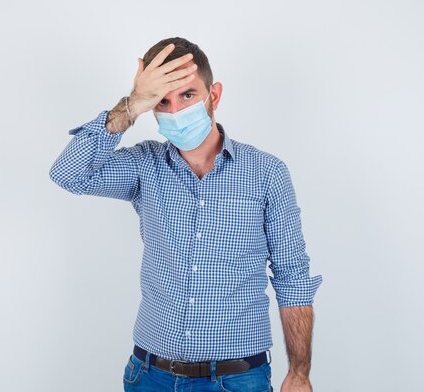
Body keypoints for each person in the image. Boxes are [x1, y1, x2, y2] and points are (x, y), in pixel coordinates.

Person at [49, 37, 323, 392]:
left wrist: (299, 373)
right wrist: (130, 106)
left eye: (187, 95)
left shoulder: (266, 173)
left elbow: (293, 276)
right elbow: (68, 174)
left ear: (215, 96)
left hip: (237, 380)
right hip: (149, 376)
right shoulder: (143, 165)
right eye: (162, 101)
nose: (175, 110)